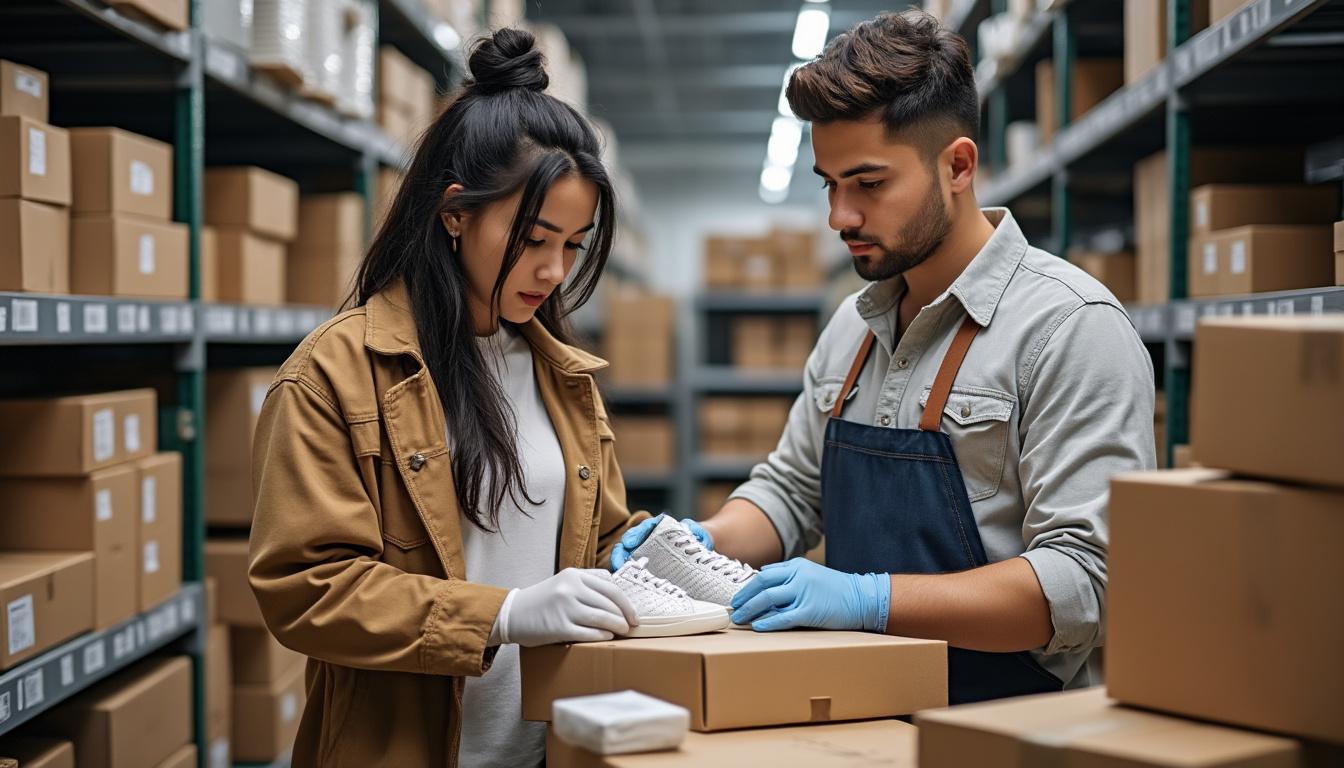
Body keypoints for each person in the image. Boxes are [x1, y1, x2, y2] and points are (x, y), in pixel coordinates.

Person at [614, 10, 1155, 704]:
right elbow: (788, 494)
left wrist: (870, 600)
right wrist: (698, 542)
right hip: (856, 707)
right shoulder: (854, 326)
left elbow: (1085, 581)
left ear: (958, 165)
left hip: (1002, 728)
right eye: (829, 184)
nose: (840, 216)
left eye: (868, 184)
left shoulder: (1069, 329)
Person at [247, 29, 650, 768]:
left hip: (549, 748)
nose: (555, 270)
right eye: (533, 239)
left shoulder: (564, 377)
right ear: (456, 212)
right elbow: (307, 588)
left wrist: (655, 555)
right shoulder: (334, 374)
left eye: (575, 244)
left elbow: (594, 541)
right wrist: (503, 614)